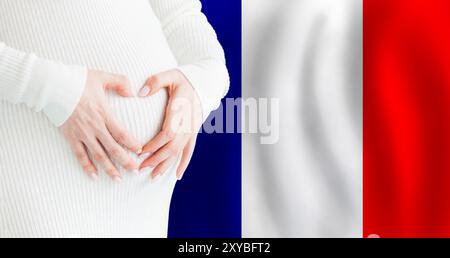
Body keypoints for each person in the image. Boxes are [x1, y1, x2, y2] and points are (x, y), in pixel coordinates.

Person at [0, 0, 229, 237]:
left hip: (145, 201)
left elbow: (181, 17)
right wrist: (53, 89)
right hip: (35, 174)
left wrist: (200, 84)